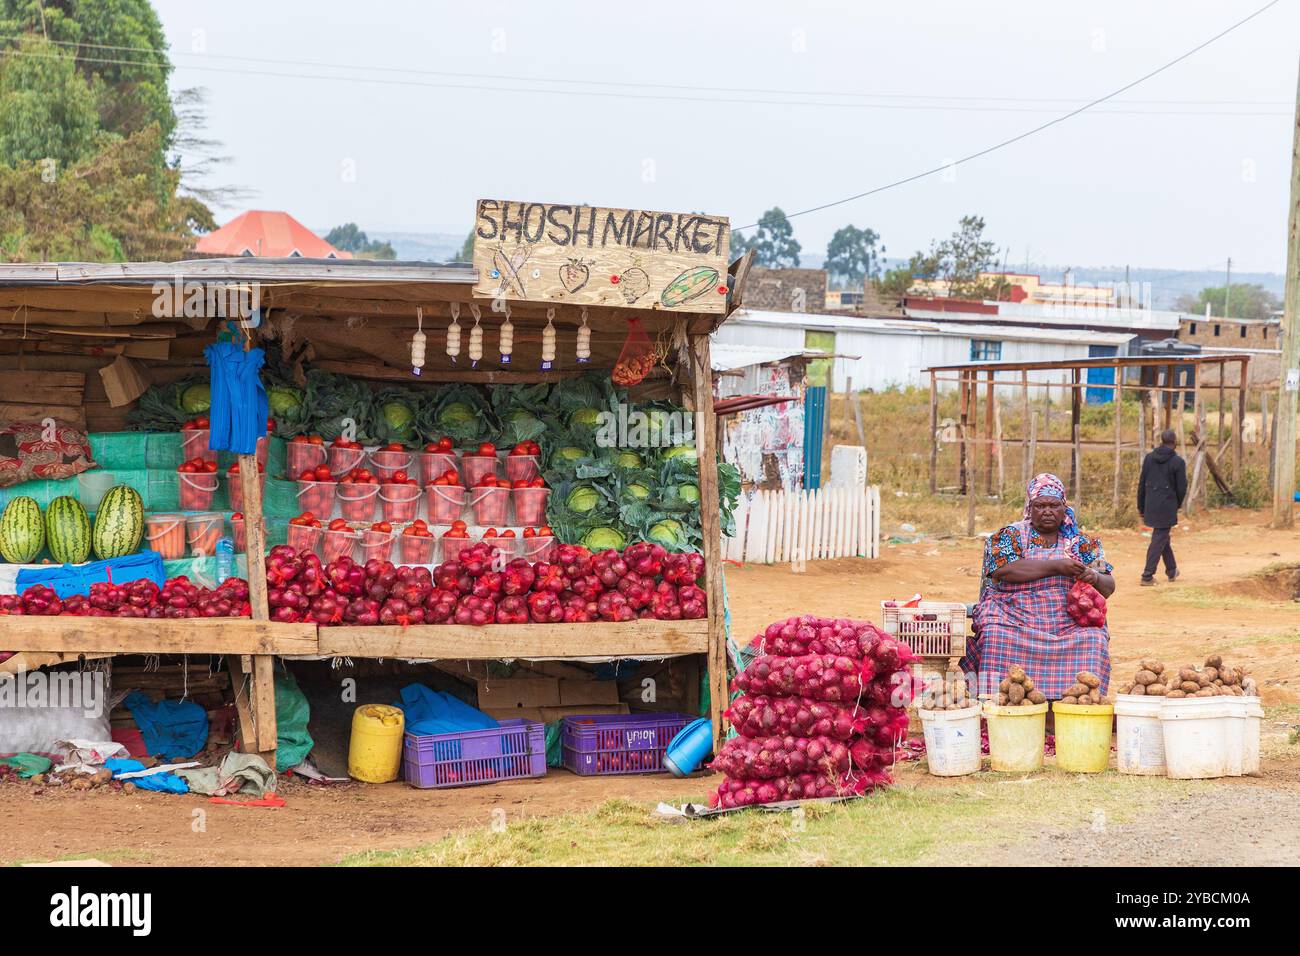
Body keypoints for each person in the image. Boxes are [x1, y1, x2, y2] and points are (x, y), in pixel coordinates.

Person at [965, 473, 1116, 699]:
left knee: (1093, 639)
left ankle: (1076, 704)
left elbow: (1108, 585)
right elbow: (1003, 570)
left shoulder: (1081, 542)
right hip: (1013, 615)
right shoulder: (1010, 535)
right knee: (996, 635)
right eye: (1040, 505)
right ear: (1029, 507)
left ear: (1064, 508)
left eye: (1054, 505)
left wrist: (1091, 576)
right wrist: (1056, 567)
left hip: (1066, 620)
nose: (1047, 511)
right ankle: (998, 703)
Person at [1138, 429, 1187, 586]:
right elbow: (1182, 488)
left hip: (1150, 504)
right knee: (1159, 538)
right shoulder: (1178, 462)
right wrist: (1177, 504)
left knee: (1162, 536)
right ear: (1174, 442)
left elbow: (1142, 484)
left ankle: (1171, 570)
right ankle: (1147, 575)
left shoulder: (1149, 458)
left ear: (1161, 441)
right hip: (1167, 505)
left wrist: (1141, 506)